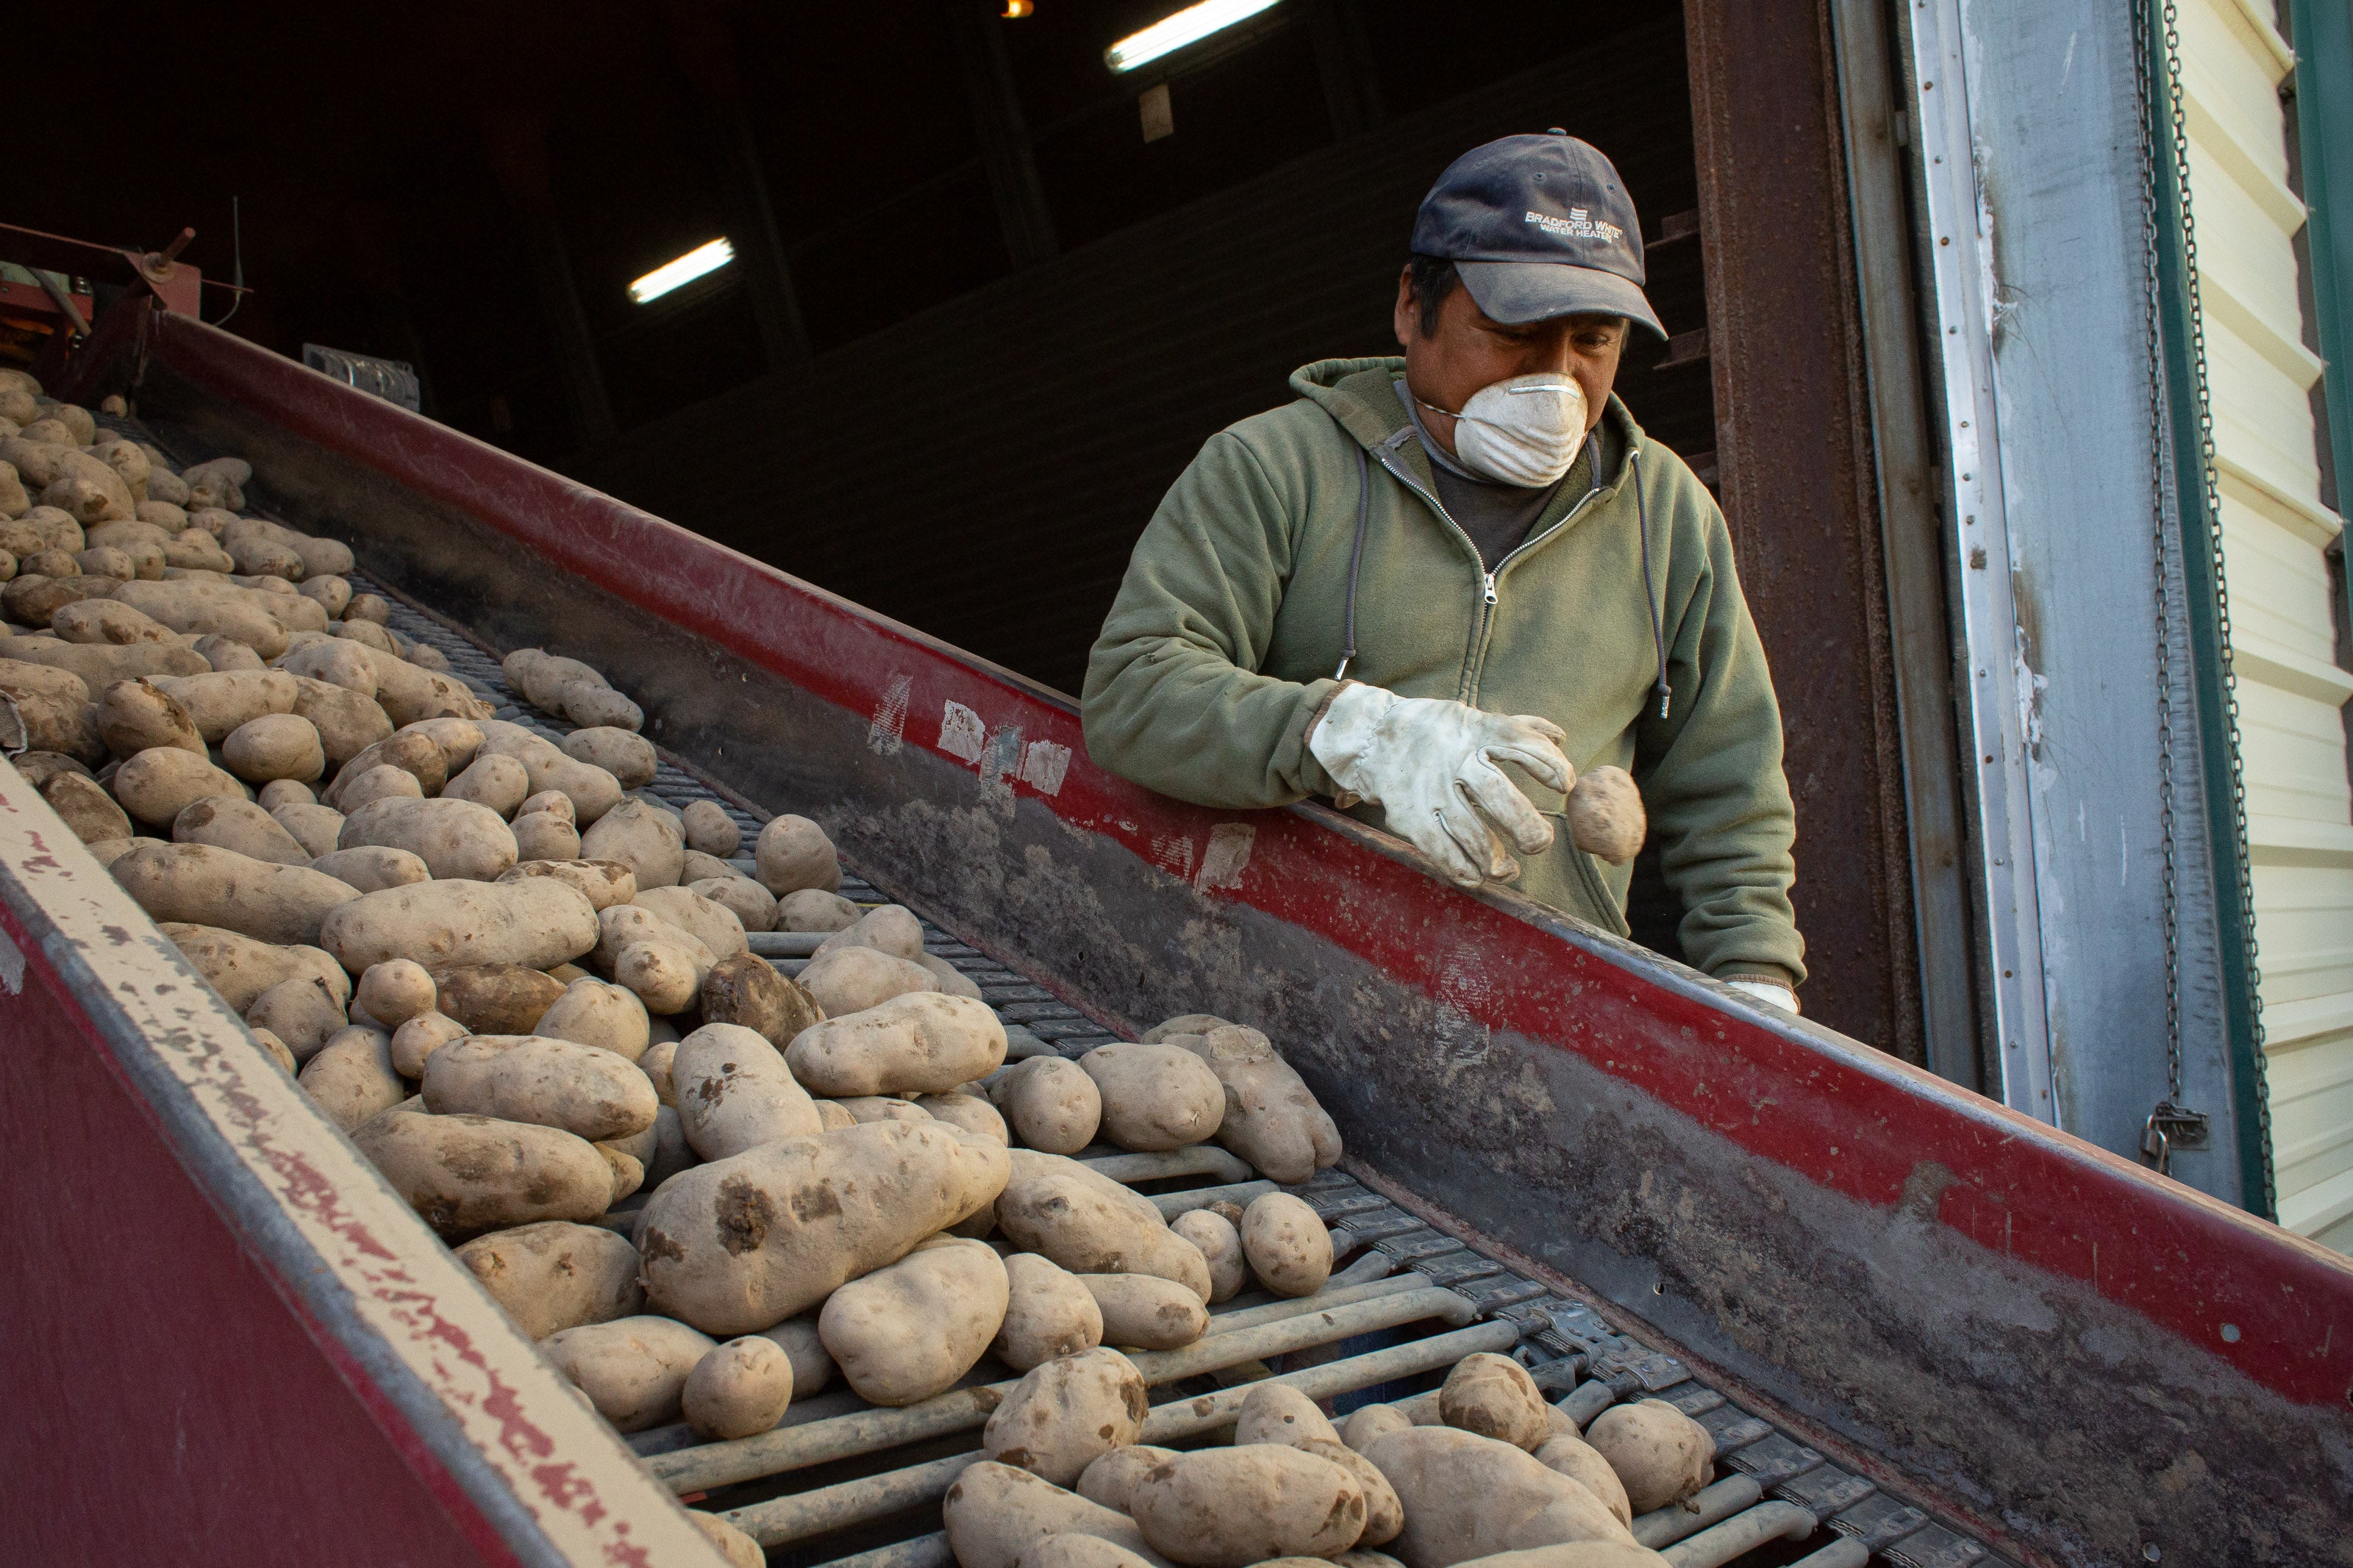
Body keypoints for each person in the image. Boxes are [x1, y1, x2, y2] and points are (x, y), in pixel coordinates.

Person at [1080, 131, 1804, 1012]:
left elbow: (1727, 781)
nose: (1555, 379)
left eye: (1593, 340)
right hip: (1266, 982)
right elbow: (1134, 694)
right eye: (1509, 334)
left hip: (1536, 1013)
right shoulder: (1273, 470)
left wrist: (1756, 984)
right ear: (1408, 308)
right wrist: (1352, 735)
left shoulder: (1667, 517)